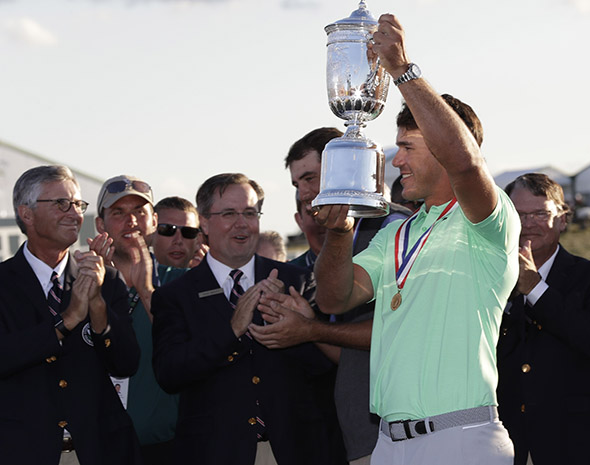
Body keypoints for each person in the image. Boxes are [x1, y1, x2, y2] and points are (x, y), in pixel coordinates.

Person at [311, 14, 520, 464]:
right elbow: (334, 299)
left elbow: (465, 163)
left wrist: (403, 69)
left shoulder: (488, 219)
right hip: (388, 443)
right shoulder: (397, 234)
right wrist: (339, 232)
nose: (396, 159)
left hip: (460, 437)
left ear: (443, 151)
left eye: (409, 147)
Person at [252, 127, 411, 465]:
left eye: (310, 178)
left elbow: (401, 333)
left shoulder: (395, 229)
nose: (306, 194)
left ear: (344, 165)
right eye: (297, 185)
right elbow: (353, 355)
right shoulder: (341, 239)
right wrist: (307, 323)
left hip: (402, 433)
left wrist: (312, 330)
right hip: (362, 438)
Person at [151, 173, 333, 465]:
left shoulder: (296, 281)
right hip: (215, 452)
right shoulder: (175, 295)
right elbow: (170, 374)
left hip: (296, 450)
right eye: (229, 213)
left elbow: (325, 369)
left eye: (249, 213)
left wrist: (305, 328)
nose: (242, 223)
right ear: (205, 223)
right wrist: (231, 329)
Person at [0, 165, 141, 465]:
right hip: (22, 451)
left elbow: (126, 363)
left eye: (78, 204)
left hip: (100, 450)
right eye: (61, 204)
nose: (74, 214)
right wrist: (66, 321)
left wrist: (98, 309)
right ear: (26, 214)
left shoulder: (107, 279)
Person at [497, 173, 590, 465]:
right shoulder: (488, 280)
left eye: (541, 213)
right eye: (518, 214)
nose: (528, 223)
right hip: (504, 442)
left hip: (577, 443)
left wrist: (535, 288)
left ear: (563, 218)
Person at [93, 176, 185, 465]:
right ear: (100, 225)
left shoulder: (182, 283)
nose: (130, 220)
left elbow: (185, 356)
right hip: (100, 446)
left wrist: (147, 293)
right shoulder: (80, 284)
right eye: (118, 213)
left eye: (139, 212)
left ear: (154, 221)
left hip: (170, 446)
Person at [152, 196, 205, 269]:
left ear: (198, 241)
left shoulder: (214, 278)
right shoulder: (133, 277)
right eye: (167, 230)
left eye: (188, 232)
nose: (178, 240)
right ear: (151, 233)